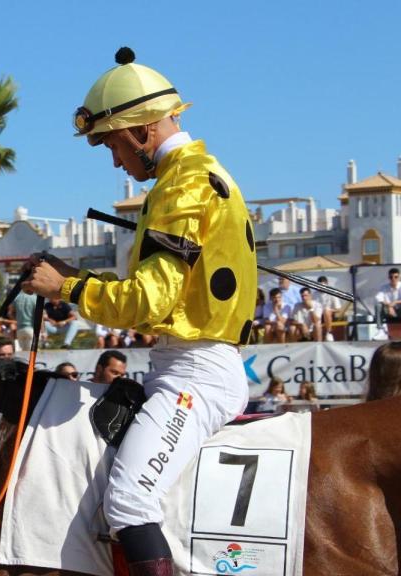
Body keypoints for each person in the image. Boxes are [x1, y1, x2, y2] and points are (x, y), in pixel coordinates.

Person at [24, 47, 256, 575]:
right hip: (185, 365)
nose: (114, 161)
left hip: (196, 373)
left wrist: (68, 287)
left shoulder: (184, 183)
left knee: (128, 502)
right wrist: (76, 281)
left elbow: (148, 303)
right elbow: (154, 292)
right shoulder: (193, 174)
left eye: (112, 143)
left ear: (143, 130)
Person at [315, 276, 343, 341]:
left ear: (327, 284)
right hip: (318, 315)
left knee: (326, 310)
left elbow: (338, 309)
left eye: (323, 285)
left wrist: (330, 310)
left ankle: (329, 332)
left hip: (329, 315)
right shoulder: (314, 294)